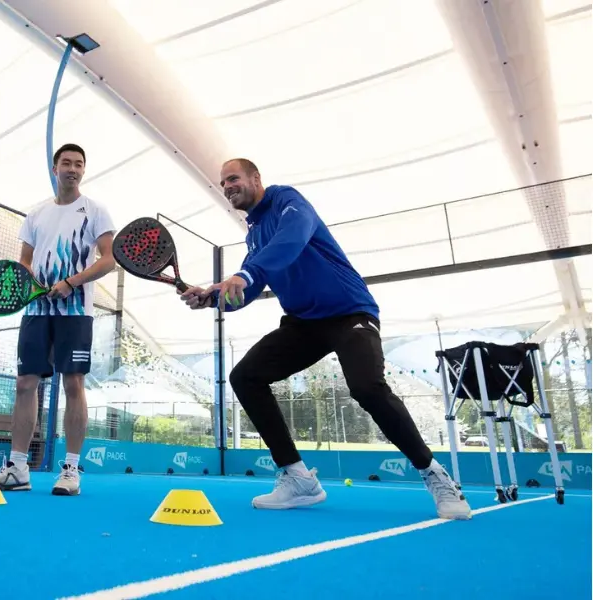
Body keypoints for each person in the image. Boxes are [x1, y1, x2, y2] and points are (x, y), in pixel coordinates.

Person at [179, 158, 471, 520]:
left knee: (367, 389)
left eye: (233, 178)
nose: (227, 187)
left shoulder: (289, 201)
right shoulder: (254, 236)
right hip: (304, 324)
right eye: (222, 183)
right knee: (245, 376)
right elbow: (248, 290)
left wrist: (244, 273)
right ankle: (298, 478)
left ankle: (436, 476)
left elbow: (292, 238)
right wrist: (212, 297)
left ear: (256, 178)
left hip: (350, 313)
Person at [0, 143, 116, 496]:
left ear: (83, 170)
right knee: (24, 383)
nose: (72, 169)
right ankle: (17, 467)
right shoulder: (36, 214)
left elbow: (109, 260)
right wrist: (34, 285)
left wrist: (70, 283)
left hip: (75, 312)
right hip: (36, 311)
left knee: (73, 384)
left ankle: (71, 470)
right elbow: (25, 261)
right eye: (66, 163)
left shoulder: (95, 211)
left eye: (79, 164)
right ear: (54, 168)